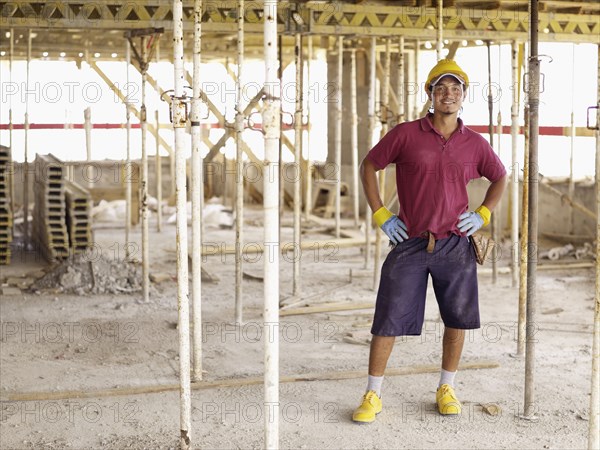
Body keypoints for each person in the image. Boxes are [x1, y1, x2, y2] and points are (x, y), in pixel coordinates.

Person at [353, 59, 507, 423]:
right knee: (387, 318)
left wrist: (483, 213)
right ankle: (373, 394)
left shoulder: (475, 143)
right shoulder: (405, 134)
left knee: (457, 318)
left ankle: (446, 387)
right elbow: (369, 165)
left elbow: (499, 177)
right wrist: (380, 213)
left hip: (455, 244)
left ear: (464, 96)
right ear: (430, 95)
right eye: (441, 88)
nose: (448, 95)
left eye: (455, 89)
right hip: (409, 240)